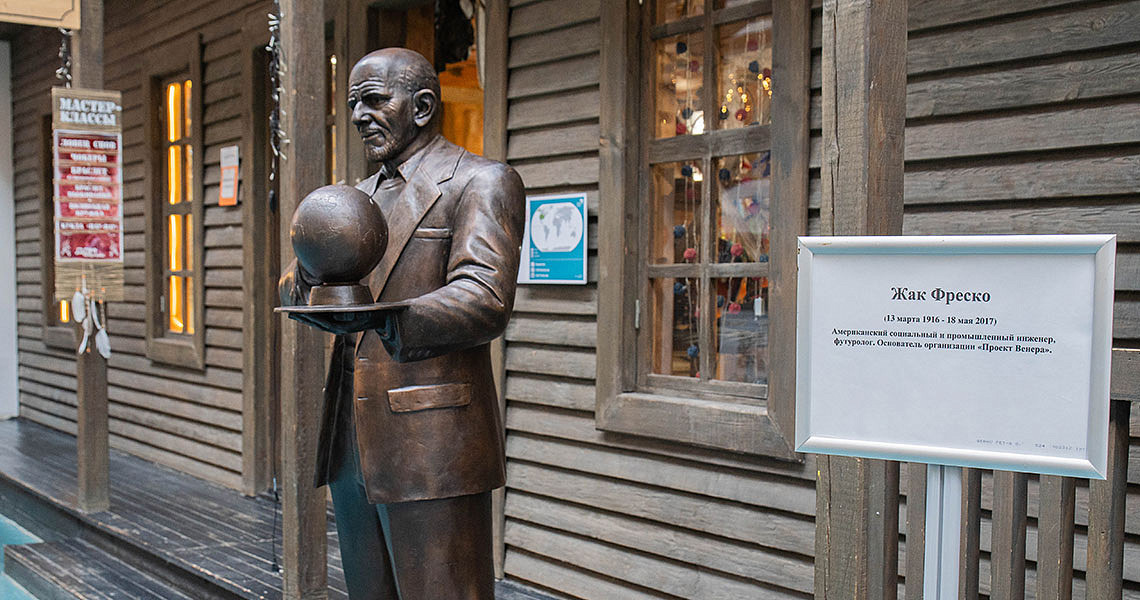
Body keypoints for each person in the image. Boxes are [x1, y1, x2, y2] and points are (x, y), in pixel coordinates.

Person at [279, 47, 525, 600]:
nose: (359, 116)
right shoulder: (355, 199)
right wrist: (312, 262)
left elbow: (485, 297)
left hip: (435, 442)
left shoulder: (482, 181)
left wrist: (387, 320)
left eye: (373, 100)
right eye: (353, 105)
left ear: (422, 107)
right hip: (352, 439)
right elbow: (295, 284)